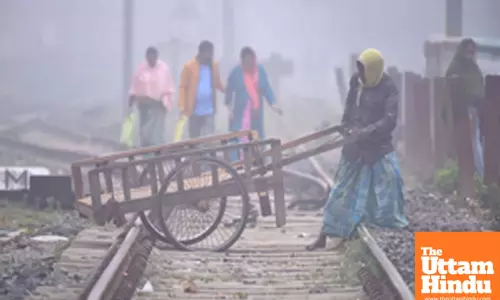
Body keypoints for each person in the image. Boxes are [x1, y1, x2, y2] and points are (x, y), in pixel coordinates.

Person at [306, 48, 409, 251]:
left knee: (391, 182)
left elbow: (390, 119)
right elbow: (349, 107)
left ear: (374, 69)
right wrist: (347, 127)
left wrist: (369, 130)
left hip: (379, 146)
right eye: (359, 70)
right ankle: (325, 234)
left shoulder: (389, 88)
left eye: (364, 70)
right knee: (341, 190)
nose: (361, 74)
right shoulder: (357, 82)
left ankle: (390, 227)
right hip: (355, 146)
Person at [225, 47, 282, 144]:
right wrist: (229, 109)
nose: (250, 62)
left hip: (256, 112)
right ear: (242, 60)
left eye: (251, 59)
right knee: (240, 136)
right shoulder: (236, 72)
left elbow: (266, 88)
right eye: (247, 60)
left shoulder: (260, 70)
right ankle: (240, 158)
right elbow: (229, 90)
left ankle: (258, 156)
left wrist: (273, 105)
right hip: (241, 112)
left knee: (257, 136)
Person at [446, 38, 485, 179]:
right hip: (462, 112)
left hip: (476, 111)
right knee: (469, 144)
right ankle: (476, 175)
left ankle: (481, 175)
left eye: (472, 51)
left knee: (477, 143)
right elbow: (449, 89)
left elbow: (480, 89)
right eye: (467, 50)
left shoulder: (474, 68)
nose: (470, 53)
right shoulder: (456, 67)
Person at [129, 46, 174, 147]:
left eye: (153, 58)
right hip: (144, 103)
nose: (151, 61)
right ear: (146, 57)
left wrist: (167, 102)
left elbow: (169, 86)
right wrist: (132, 97)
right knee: (145, 130)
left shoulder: (163, 68)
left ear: (157, 57)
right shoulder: (141, 68)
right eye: (149, 58)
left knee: (157, 131)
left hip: (158, 104)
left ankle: (158, 153)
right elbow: (135, 84)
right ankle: (146, 152)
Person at [178, 40, 224, 139]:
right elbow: (183, 87)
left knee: (209, 139)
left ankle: (210, 154)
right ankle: (196, 155)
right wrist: (182, 106)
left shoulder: (213, 65)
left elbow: (217, 82)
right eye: (209, 53)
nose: (211, 56)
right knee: (195, 139)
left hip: (209, 109)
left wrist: (226, 90)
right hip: (194, 110)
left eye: (212, 53)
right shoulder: (189, 66)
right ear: (202, 52)